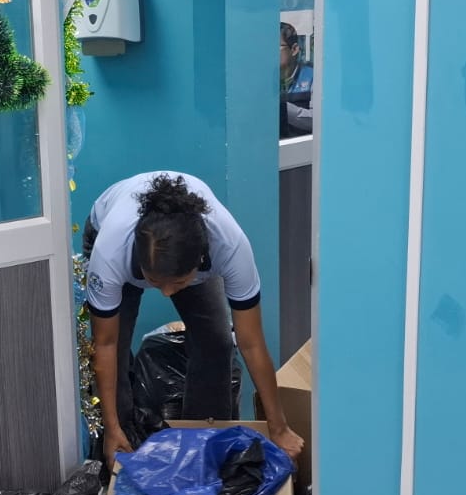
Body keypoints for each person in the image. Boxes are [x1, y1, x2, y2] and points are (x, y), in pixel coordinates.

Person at [84, 172, 305, 465]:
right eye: (154, 281)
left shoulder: (229, 247)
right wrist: (111, 428)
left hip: (186, 251)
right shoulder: (111, 252)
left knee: (216, 342)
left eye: (177, 283)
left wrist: (279, 427)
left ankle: (202, 444)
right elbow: (105, 345)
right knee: (117, 349)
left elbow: (251, 343)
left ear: (201, 260)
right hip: (107, 233)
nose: (165, 293)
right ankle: (120, 443)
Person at [280, 21, 313, 138]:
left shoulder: (313, 77)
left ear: (294, 49)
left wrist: (282, 108)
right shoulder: (263, 80)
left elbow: (317, 120)